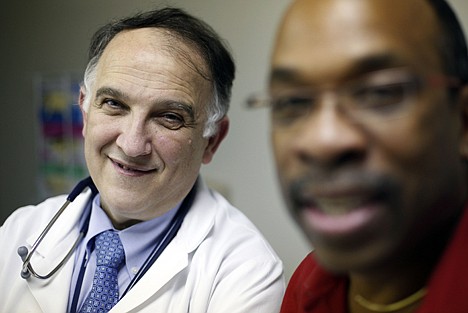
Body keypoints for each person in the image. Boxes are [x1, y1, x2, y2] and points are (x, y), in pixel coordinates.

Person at [0, 7, 284, 313]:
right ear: (85, 112)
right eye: (113, 104)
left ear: (211, 141)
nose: (132, 145)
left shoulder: (247, 274)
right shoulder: (19, 231)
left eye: (169, 117)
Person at [249, 0, 468, 312]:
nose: (323, 142)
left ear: (463, 120)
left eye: (379, 92)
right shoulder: (308, 287)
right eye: (293, 102)